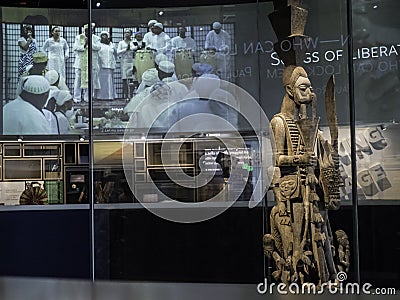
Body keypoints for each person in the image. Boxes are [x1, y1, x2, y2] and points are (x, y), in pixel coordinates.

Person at [266, 65, 340, 284]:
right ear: (290, 91)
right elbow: (277, 159)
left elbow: (321, 153)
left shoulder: (312, 126)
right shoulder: (279, 122)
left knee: (321, 233)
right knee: (296, 239)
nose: (311, 93)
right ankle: (297, 273)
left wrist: (329, 153)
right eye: (304, 88)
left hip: (313, 187)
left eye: (310, 88)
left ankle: (327, 274)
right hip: (293, 192)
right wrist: (299, 160)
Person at [72, 23, 101, 102]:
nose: (88, 32)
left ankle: (87, 97)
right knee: (78, 80)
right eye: (86, 30)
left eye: (90, 30)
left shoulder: (96, 38)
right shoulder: (78, 37)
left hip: (92, 62)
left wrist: (90, 42)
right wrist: (84, 45)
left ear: (92, 30)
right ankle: (77, 97)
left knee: (90, 80)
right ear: (84, 30)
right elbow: (75, 47)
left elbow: (98, 47)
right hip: (80, 63)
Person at [97, 31, 117, 100]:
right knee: (101, 82)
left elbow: (115, 54)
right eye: (102, 35)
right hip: (101, 66)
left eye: (105, 35)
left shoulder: (112, 45)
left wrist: (114, 63)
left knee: (109, 81)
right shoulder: (98, 45)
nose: (104, 37)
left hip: (110, 65)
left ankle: (110, 96)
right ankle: (100, 96)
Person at [117, 29, 136, 100]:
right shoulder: (121, 43)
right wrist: (126, 49)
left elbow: (136, 49)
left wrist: (131, 48)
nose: (126, 34)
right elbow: (118, 52)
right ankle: (125, 95)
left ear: (131, 34)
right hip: (124, 62)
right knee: (125, 79)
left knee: (132, 79)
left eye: (128, 32)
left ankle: (131, 95)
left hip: (132, 61)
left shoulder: (133, 42)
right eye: (125, 32)